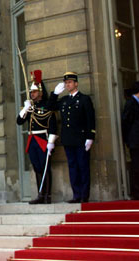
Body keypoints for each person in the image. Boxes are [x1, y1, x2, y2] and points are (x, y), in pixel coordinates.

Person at [48, 72, 95, 203]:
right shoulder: (64, 100)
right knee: (73, 167)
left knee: (83, 166)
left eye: (70, 82)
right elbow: (49, 107)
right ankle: (76, 194)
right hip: (68, 139)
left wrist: (90, 136)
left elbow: (90, 119)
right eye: (66, 83)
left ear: (76, 83)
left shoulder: (84, 99)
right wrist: (55, 94)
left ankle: (84, 195)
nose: (67, 85)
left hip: (81, 139)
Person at [16, 70, 58, 204]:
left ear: (40, 92)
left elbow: (52, 124)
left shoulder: (47, 106)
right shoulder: (31, 107)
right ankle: (40, 194)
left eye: (34, 92)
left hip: (43, 140)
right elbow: (19, 121)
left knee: (45, 167)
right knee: (37, 168)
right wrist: (24, 109)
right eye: (31, 92)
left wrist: (51, 142)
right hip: (32, 140)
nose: (31, 94)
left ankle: (47, 195)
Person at [121, 81, 139, 200]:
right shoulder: (131, 103)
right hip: (135, 141)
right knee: (137, 167)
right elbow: (126, 122)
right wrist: (128, 140)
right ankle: (136, 192)